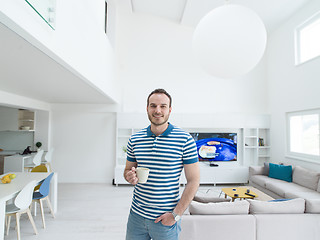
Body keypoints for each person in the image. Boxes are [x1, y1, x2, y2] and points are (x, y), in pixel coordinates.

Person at [124, 88, 200, 240]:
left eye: (163, 106)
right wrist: (129, 176)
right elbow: (127, 171)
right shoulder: (135, 139)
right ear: (147, 109)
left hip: (166, 220)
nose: (157, 110)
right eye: (153, 106)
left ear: (170, 109)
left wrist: (175, 215)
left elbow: (194, 181)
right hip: (136, 217)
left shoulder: (185, 140)